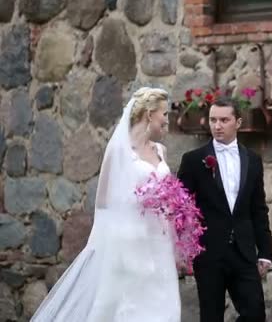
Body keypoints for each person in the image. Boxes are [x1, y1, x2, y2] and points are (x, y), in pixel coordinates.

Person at [31, 87, 180, 322]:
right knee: (131, 307)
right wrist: (141, 199)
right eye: (164, 114)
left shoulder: (160, 150)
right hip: (130, 240)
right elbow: (103, 200)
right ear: (150, 114)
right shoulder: (118, 151)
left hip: (159, 241)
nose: (167, 120)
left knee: (166, 307)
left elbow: (167, 191)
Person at [177, 95, 272, 322]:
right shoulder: (193, 160)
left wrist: (266, 253)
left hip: (244, 251)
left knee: (255, 313)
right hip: (209, 253)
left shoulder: (253, 160)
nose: (217, 126)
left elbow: (258, 208)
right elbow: (182, 208)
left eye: (224, 120)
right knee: (211, 316)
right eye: (213, 120)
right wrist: (185, 249)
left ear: (238, 123)